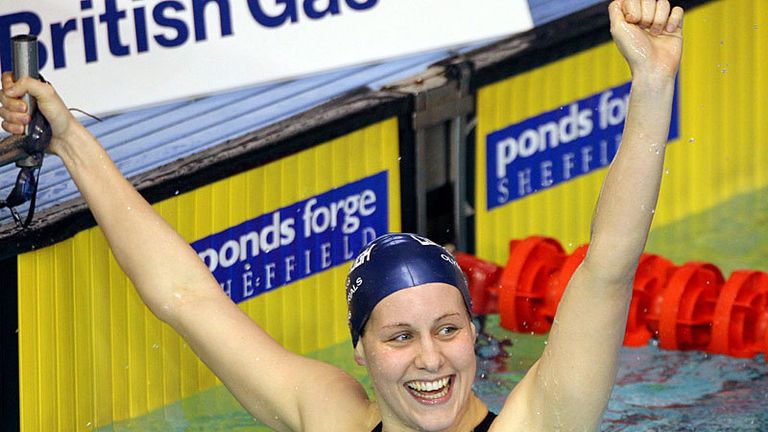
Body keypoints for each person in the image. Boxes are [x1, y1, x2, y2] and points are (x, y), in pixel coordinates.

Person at [0, 0, 684, 430]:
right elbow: (186, 298)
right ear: (359, 351)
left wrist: (652, 82)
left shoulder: (539, 424)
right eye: (399, 337)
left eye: (448, 329)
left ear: (475, 335)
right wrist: (69, 140)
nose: (430, 359)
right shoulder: (328, 414)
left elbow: (608, 267)